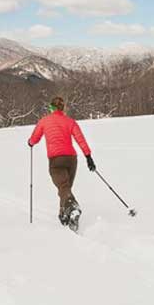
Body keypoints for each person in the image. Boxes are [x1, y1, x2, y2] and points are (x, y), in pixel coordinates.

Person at [28, 97, 96, 230]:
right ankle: (64, 216)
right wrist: (88, 157)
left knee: (63, 187)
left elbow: (34, 138)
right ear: (63, 108)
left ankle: (72, 207)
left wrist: (30, 142)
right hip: (71, 159)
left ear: (51, 108)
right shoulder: (70, 122)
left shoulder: (44, 121)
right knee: (65, 188)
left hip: (56, 160)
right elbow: (80, 139)